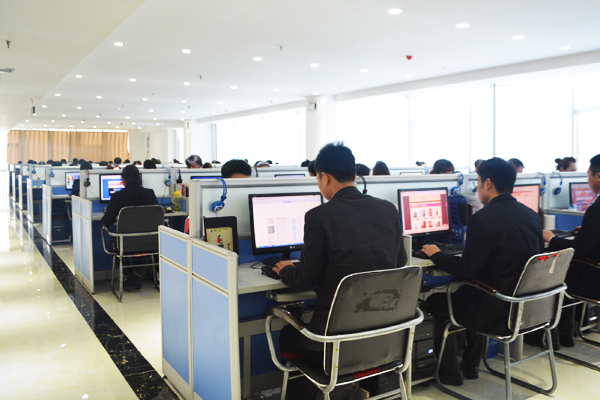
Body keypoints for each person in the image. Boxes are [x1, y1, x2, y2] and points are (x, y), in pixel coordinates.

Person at [270, 142, 407, 399]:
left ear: (324, 177)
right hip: (385, 341)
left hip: (334, 346)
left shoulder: (319, 216)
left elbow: (304, 278)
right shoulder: (388, 209)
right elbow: (401, 263)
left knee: (288, 334)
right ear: (354, 174)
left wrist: (285, 270)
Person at [422, 157, 543, 386]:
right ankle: (471, 365)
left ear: (488, 183)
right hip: (524, 307)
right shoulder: (531, 215)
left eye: (478, 182)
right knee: (473, 292)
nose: (477, 187)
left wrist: (436, 254)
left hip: (496, 311)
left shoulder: (484, 219)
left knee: (436, 303)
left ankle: (450, 374)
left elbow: (466, 269)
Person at [544, 154, 600, 346]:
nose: (588, 179)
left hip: (594, 279)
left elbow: (577, 250)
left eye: (588, 175)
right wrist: (589, 230)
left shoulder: (597, 209)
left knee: (555, 272)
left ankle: (562, 337)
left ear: (598, 176)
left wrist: (552, 239)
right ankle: (568, 333)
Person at [102, 165, 159, 290]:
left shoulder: (118, 196)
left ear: (123, 180)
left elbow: (107, 221)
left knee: (113, 245)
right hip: (150, 242)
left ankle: (130, 277)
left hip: (125, 244)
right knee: (143, 244)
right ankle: (136, 276)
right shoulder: (149, 193)